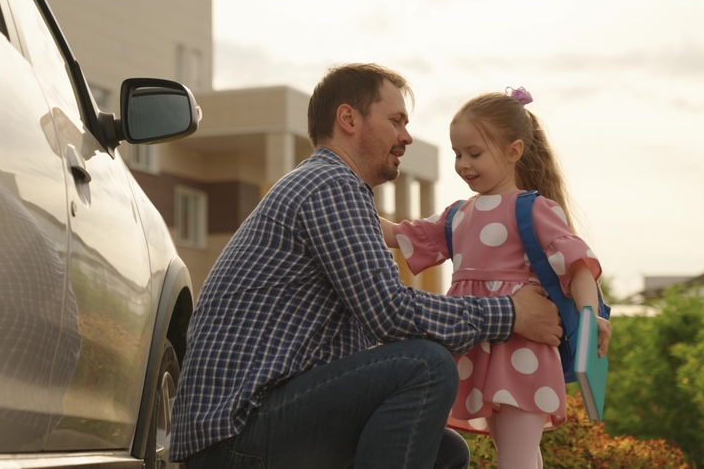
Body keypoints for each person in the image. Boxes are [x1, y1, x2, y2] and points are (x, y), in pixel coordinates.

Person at [169, 64, 564, 469]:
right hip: (234, 434)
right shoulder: (329, 185)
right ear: (349, 119)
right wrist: (510, 313)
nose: (407, 137)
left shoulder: (326, 185)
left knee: (446, 454)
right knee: (424, 366)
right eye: (396, 121)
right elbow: (390, 314)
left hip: (250, 425)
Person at [380, 87, 612, 469]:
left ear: (514, 151)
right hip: (482, 349)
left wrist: (590, 315)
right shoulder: (458, 215)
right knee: (515, 452)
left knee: (517, 453)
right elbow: (400, 234)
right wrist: (347, 202)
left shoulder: (533, 208)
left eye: (474, 153)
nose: (463, 164)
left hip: (525, 349)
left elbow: (578, 262)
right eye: (457, 153)